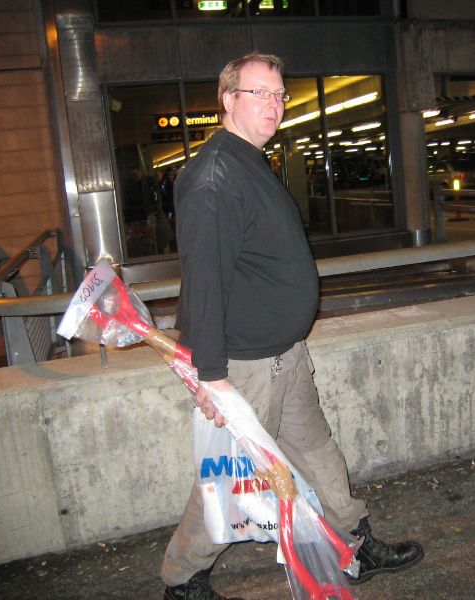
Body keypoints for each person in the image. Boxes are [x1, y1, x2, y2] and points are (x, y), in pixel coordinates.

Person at [160, 52, 423, 600]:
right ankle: (183, 579)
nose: (274, 105)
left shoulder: (251, 160)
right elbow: (204, 281)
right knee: (231, 476)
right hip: (246, 365)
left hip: (284, 353)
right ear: (228, 99)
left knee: (318, 450)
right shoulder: (213, 176)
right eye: (259, 92)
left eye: (279, 94)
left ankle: (354, 541)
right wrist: (212, 376)